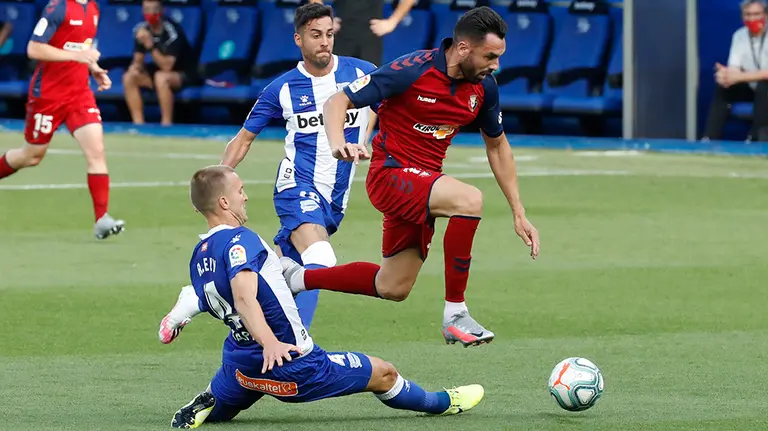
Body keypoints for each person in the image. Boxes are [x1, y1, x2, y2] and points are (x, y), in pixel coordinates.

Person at [280, 6, 540, 347]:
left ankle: (297, 278)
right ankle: (456, 313)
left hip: (423, 185)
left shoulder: (484, 88)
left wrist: (518, 211)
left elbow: (498, 146)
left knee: (393, 286)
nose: (496, 65)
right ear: (463, 48)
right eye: (490, 56)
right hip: (390, 176)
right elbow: (336, 101)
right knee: (469, 200)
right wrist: (337, 143)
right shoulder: (411, 70)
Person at [169, 164, 485, 429]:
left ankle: (210, 400)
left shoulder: (201, 253)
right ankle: (443, 402)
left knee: (223, 406)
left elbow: (218, 297)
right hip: (291, 362)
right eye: (240, 191)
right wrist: (271, 343)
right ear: (224, 202)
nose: (246, 196)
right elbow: (244, 298)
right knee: (384, 373)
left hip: (240, 366)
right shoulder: (242, 241)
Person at [158, 3, 377, 343]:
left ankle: (196, 298)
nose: (324, 42)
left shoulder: (362, 73)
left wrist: (365, 138)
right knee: (320, 257)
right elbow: (244, 138)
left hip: (334, 197)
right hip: (297, 186)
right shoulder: (282, 88)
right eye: (315, 35)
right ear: (298, 39)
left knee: (273, 273)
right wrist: (218, 184)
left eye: (329, 34)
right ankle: (299, 342)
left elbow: (382, 104)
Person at [0, 0, 125, 240]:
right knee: (31, 156)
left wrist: (94, 68)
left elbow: (83, 48)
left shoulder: (93, 9)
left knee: (96, 152)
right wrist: (77, 56)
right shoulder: (58, 8)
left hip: (79, 94)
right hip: (48, 95)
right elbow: (34, 49)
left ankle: (101, 218)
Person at [122, 0, 197, 126]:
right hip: (157, 72)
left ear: (162, 10)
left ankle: (166, 125)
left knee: (161, 77)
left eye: (155, 9)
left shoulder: (173, 32)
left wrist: (150, 45)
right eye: (147, 10)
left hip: (184, 73)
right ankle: (138, 125)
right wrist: (135, 67)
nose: (151, 13)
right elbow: (138, 61)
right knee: (129, 77)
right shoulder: (142, 30)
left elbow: (167, 66)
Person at [703, 0, 768, 141]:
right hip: (750, 87)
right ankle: (709, 139)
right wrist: (726, 75)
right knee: (723, 87)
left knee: (764, 85)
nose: (752, 18)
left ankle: (756, 138)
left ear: (766, 15)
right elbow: (734, 67)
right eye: (748, 15)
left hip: (765, 88)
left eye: (756, 14)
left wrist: (738, 77)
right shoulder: (739, 36)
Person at [309, 0, 417, 66]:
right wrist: (324, 17)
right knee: (335, 84)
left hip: (370, 36)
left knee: (368, 86)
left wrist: (393, 21)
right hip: (340, 35)